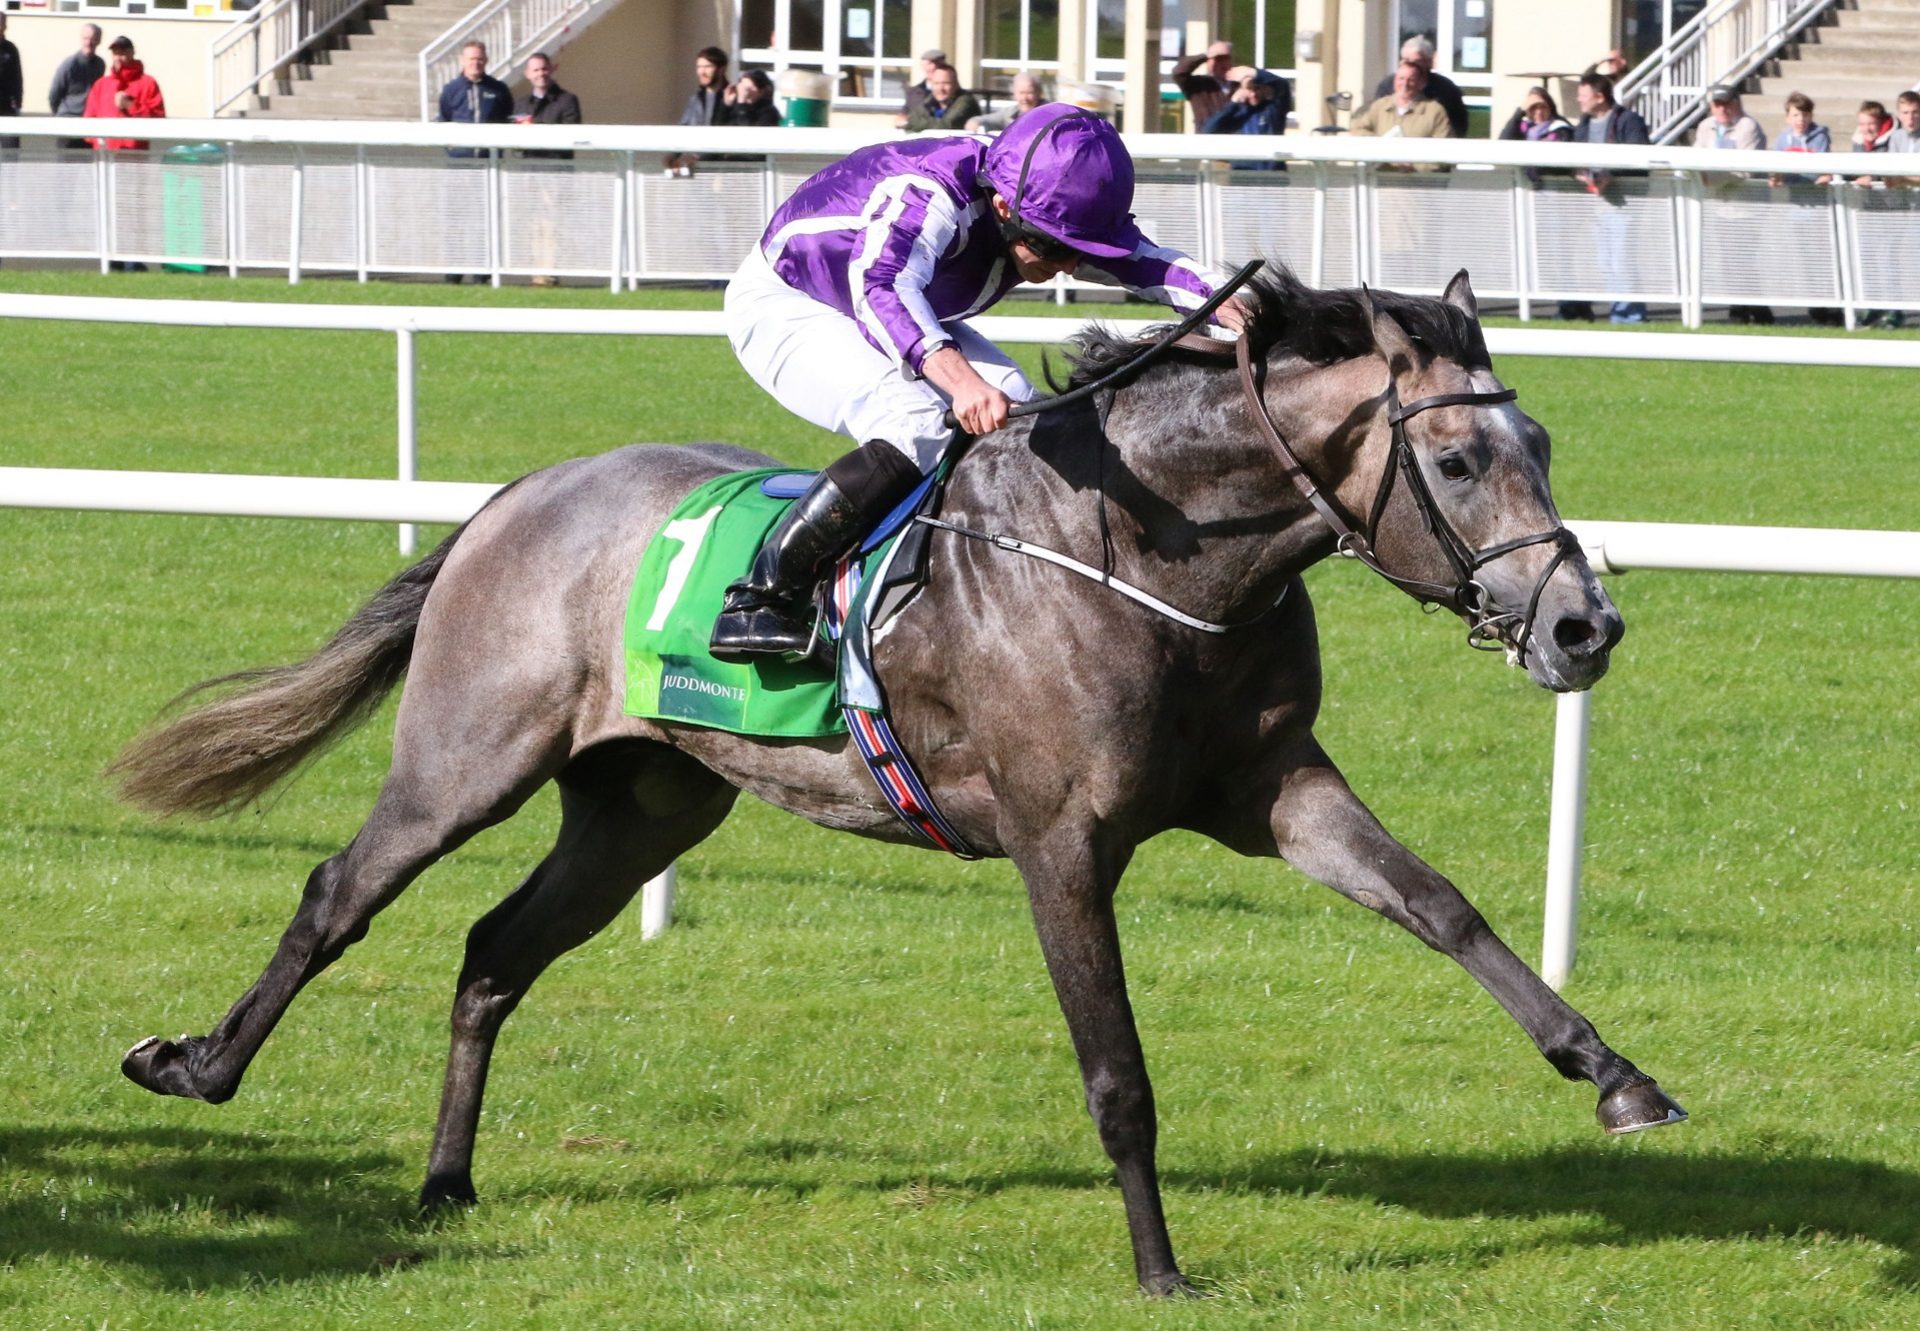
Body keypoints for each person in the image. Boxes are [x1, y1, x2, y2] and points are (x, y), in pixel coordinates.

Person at [710, 104, 1246, 660]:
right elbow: (882, 288)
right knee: (914, 423)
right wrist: (960, 381)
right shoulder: (931, 194)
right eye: (1053, 248)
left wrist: (1226, 300)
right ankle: (758, 602)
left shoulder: (1040, 195)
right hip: (792, 301)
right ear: (1003, 205)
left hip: (888, 301)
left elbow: (1146, 263)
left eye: (1080, 252)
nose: (1067, 266)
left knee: (1025, 412)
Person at [1567, 72, 1650, 323]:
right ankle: (1620, 311)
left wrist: (1611, 174)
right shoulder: (1584, 124)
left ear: (1600, 97)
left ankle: (1630, 316)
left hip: (1625, 204)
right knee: (1606, 261)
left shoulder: (1629, 121)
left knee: (1621, 260)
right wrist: (1579, 173)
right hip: (1598, 206)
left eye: (1583, 95)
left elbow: (1640, 158)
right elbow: (1570, 157)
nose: (1579, 101)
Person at [435, 42, 510, 282]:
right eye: (471, 59)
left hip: (488, 165)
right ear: (462, 61)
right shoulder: (451, 90)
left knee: (485, 220)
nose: (475, 63)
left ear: (486, 60)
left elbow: (505, 119)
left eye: (479, 59)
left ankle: (482, 273)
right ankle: (454, 273)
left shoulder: (497, 89)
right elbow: (444, 120)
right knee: (456, 219)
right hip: (459, 166)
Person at [1695, 87, 1771, 324]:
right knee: (1729, 260)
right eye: (1717, 104)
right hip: (1721, 205)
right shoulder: (1705, 126)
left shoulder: (1748, 127)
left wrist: (1708, 179)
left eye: (1726, 104)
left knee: (1743, 260)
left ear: (1737, 103)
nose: (1722, 109)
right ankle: (1753, 310)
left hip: (1747, 206)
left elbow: (1743, 169)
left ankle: (1744, 310)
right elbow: (1696, 157)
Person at [513, 52, 581, 288]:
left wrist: (536, 131)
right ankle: (536, 274)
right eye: (536, 70)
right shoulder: (520, 104)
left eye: (544, 69)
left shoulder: (567, 100)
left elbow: (569, 135)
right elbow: (516, 140)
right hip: (530, 172)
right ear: (527, 74)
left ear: (552, 69)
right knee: (533, 225)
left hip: (555, 173)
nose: (541, 73)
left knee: (552, 225)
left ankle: (549, 275)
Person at [1348, 59, 1454, 162]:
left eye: (1411, 79)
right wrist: (1381, 143)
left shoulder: (1435, 112)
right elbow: (1357, 130)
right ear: (1394, 81)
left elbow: (1444, 152)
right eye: (1401, 78)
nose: (1405, 84)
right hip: (1383, 175)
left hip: (1420, 178)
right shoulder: (1379, 106)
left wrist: (1413, 166)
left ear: (1421, 83)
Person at [1370, 36, 1468, 138]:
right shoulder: (1387, 85)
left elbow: (1459, 126)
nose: (1410, 65)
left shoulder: (1446, 89)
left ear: (1429, 62)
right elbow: (1371, 121)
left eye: (1416, 61)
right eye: (1406, 60)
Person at [83, 37, 165, 152]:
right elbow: (88, 122)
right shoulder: (101, 84)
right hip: (105, 158)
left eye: (123, 53)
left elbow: (158, 119)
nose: (118, 58)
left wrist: (131, 106)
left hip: (134, 159)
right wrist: (100, 143)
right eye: (115, 53)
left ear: (132, 52)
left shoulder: (148, 83)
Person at [1199, 67, 1290, 167]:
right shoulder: (1235, 113)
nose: (1253, 94)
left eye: (1257, 88)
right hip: (1242, 175)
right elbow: (1208, 130)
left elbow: (1282, 84)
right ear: (1240, 90)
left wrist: (1254, 73)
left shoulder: (1272, 109)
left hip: (1272, 175)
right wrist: (1232, 104)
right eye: (1249, 89)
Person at [47, 22, 105, 148]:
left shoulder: (100, 64)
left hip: (89, 125)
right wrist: (62, 116)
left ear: (99, 40)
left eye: (93, 39)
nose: (89, 42)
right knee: (67, 166)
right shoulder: (70, 64)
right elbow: (54, 94)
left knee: (86, 166)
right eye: (85, 38)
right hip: (68, 122)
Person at [1171, 41, 1235, 130]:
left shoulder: (1240, 84)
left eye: (1226, 58)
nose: (1223, 63)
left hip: (1236, 140)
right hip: (1206, 140)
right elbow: (1179, 72)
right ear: (1208, 61)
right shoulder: (1198, 84)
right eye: (1218, 58)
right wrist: (1204, 56)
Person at [903, 64, 981, 132]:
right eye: (936, 83)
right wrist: (907, 120)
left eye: (946, 83)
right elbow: (912, 116)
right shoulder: (930, 100)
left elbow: (945, 126)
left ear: (956, 84)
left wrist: (910, 122)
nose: (941, 89)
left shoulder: (965, 100)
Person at [968, 72, 1045, 132]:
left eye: (1029, 93)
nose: (1025, 98)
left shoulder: (1050, 113)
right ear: (1014, 93)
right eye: (1021, 93)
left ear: (1039, 93)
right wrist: (974, 122)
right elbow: (984, 119)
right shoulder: (1009, 113)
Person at [895, 49, 947, 127]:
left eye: (937, 64)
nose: (933, 67)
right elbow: (904, 114)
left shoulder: (955, 93)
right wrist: (900, 120)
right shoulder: (914, 92)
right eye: (929, 63)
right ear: (923, 66)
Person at [0, 15, 22, 148]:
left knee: (10, 149)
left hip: (7, 107)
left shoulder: (11, 49)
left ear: (5, 26)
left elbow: (18, 78)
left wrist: (18, 103)